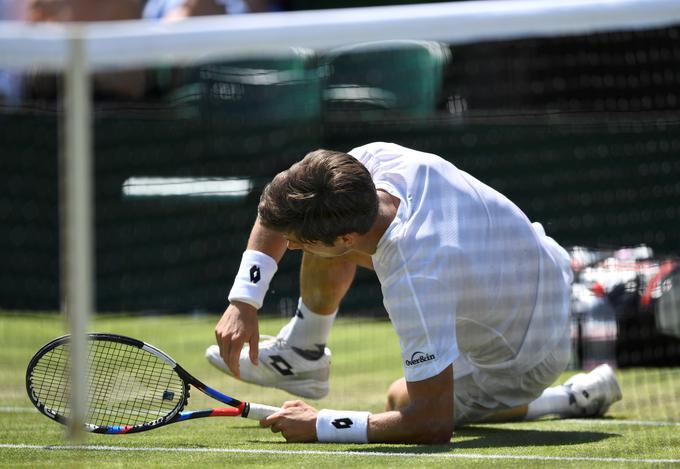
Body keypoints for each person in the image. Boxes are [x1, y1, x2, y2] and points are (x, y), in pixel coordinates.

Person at [207, 142, 622, 444]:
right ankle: (303, 352)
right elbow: (277, 214)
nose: (290, 247)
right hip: (542, 269)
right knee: (315, 231)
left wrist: (320, 423)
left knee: (400, 396)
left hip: (531, 354)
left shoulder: (417, 278)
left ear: (349, 237)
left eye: (296, 244)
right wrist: (244, 299)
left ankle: (565, 398)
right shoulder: (368, 165)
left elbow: (430, 421)